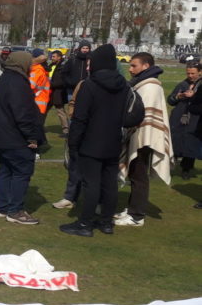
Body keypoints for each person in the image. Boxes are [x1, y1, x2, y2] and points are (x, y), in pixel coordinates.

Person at [59, 45, 129, 237]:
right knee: (109, 183)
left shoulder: (90, 85)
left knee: (92, 184)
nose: (88, 67)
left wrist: (74, 142)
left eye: (91, 63)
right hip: (113, 140)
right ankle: (106, 222)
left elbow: (80, 118)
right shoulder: (123, 84)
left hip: (91, 141)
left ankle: (85, 224)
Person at [116, 52, 173, 227]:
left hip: (145, 137)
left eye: (134, 65)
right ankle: (133, 208)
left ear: (146, 66)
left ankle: (137, 216)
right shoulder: (142, 83)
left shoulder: (150, 86)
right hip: (140, 134)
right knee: (135, 173)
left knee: (139, 175)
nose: (130, 69)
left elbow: (146, 117)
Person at [0, 51, 43, 225]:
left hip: (2, 135)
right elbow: (22, 113)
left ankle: (3, 207)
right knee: (21, 172)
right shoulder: (18, 82)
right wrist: (32, 137)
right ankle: (15, 210)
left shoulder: (5, 78)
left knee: (6, 170)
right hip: (15, 136)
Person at [167, 62, 201, 179]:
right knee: (176, 140)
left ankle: (186, 169)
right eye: (188, 73)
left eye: (193, 73)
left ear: (200, 72)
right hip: (179, 119)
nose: (190, 76)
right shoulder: (182, 84)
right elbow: (170, 100)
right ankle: (172, 163)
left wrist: (194, 96)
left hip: (195, 119)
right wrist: (178, 97)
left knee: (190, 143)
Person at [47, 50, 69, 136]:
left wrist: (49, 84)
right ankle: (38, 127)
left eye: (54, 57)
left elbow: (61, 81)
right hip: (50, 92)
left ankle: (66, 131)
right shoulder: (51, 65)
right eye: (52, 56)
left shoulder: (63, 67)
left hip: (58, 93)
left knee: (60, 112)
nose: (52, 58)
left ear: (59, 57)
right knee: (44, 111)